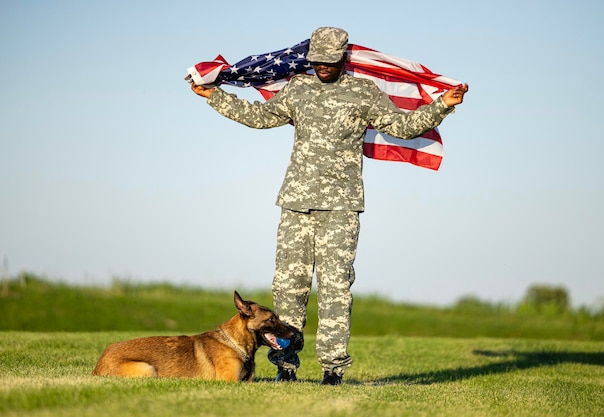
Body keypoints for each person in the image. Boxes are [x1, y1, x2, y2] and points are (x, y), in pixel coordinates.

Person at [191, 27, 468, 385]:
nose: (322, 67)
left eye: (329, 61)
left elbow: (402, 127)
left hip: (341, 207)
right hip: (296, 203)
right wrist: (214, 96)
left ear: (342, 58)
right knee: (289, 288)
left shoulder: (363, 92)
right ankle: (285, 368)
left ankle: (333, 370)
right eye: (317, 60)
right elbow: (259, 117)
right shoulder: (299, 88)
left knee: (336, 288)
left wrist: (441, 106)